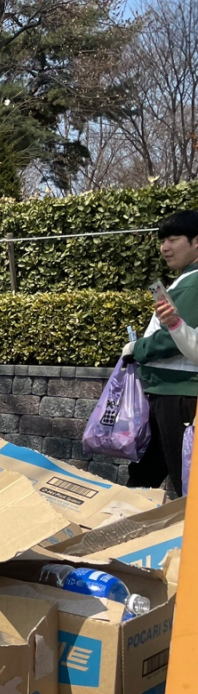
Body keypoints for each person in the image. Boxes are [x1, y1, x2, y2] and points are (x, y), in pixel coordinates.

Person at [122, 211, 198, 493]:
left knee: (183, 481)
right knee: (148, 474)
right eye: (162, 240)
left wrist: (137, 348)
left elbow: (173, 337)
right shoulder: (186, 278)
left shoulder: (194, 281)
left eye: (173, 239)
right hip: (171, 392)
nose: (164, 247)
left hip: (179, 395)